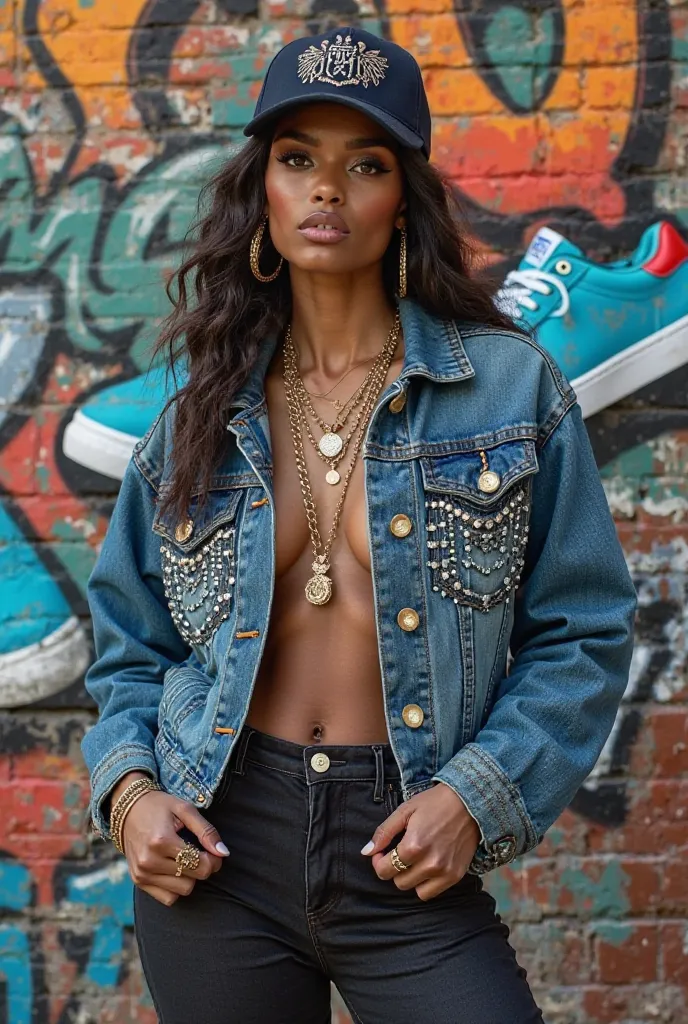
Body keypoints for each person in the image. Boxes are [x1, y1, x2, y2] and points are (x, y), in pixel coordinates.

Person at [81, 26, 637, 1024]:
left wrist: (476, 794)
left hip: (405, 844)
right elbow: (129, 643)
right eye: (298, 160)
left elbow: (583, 631)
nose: (326, 189)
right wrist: (129, 793)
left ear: (403, 201)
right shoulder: (193, 413)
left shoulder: (507, 390)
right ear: (265, 195)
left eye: (363, 163)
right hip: (221, 845)